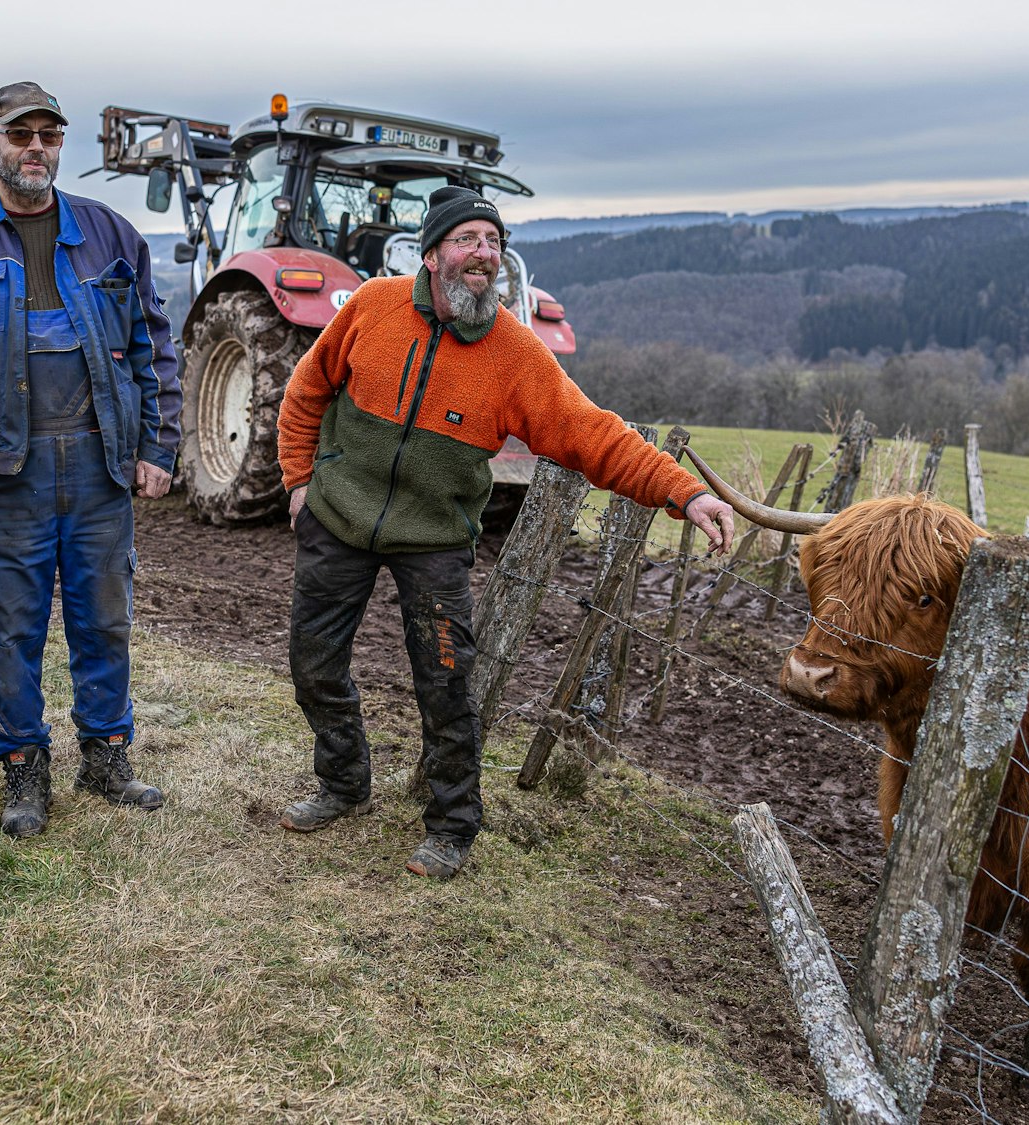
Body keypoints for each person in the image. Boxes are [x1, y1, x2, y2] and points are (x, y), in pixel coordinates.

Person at [276, 185, 736, 880]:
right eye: (467, 240)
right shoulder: (373, 308)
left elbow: (592, 433)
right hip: (337, 518)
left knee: (446, 681)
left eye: (492, 243)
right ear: (432, 255)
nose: (483, 254)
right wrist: (299, 482)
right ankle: (343, 782)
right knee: (313, 664)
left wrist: (685, 490)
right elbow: (306, 389)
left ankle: (453, 824)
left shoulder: (514, 354)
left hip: (432, 538)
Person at [0, 80, 182, 839]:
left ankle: (107, 753)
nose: (35, 148)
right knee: (13, 627)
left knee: (106, 618)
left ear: (61, 146)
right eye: (19, 134)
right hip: (2, 473)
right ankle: (23, 764)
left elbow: (154, 347)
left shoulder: (111, 234)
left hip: (97, 468)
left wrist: (159, 444)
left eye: (49, 136)